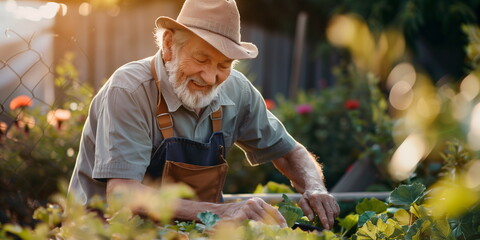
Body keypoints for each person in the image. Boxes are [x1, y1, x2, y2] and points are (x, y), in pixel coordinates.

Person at [68, 0, 340, 230]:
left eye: (223, 65)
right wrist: (223, 212)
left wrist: (315, 186)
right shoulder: (129, 90)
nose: (210, 77)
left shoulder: (236, 90)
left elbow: (288, 152)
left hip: (190, 232)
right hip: (106, 230)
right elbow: (123, 194)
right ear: (169, 43)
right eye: (200, 59)